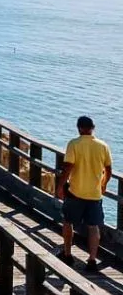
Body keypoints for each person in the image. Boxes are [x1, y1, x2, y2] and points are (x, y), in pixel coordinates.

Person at [56, 115, 113, 271]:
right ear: (93, 128)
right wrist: (103, 184)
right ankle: (92, 260)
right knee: (93, 227)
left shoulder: (74, 144)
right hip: (94, 194)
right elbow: (108, 169)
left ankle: (67, 254)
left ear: (79, 128)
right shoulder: (103, 146)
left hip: (75, 192)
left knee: (68, 222)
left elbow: (68, 167)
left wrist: (60, 186)